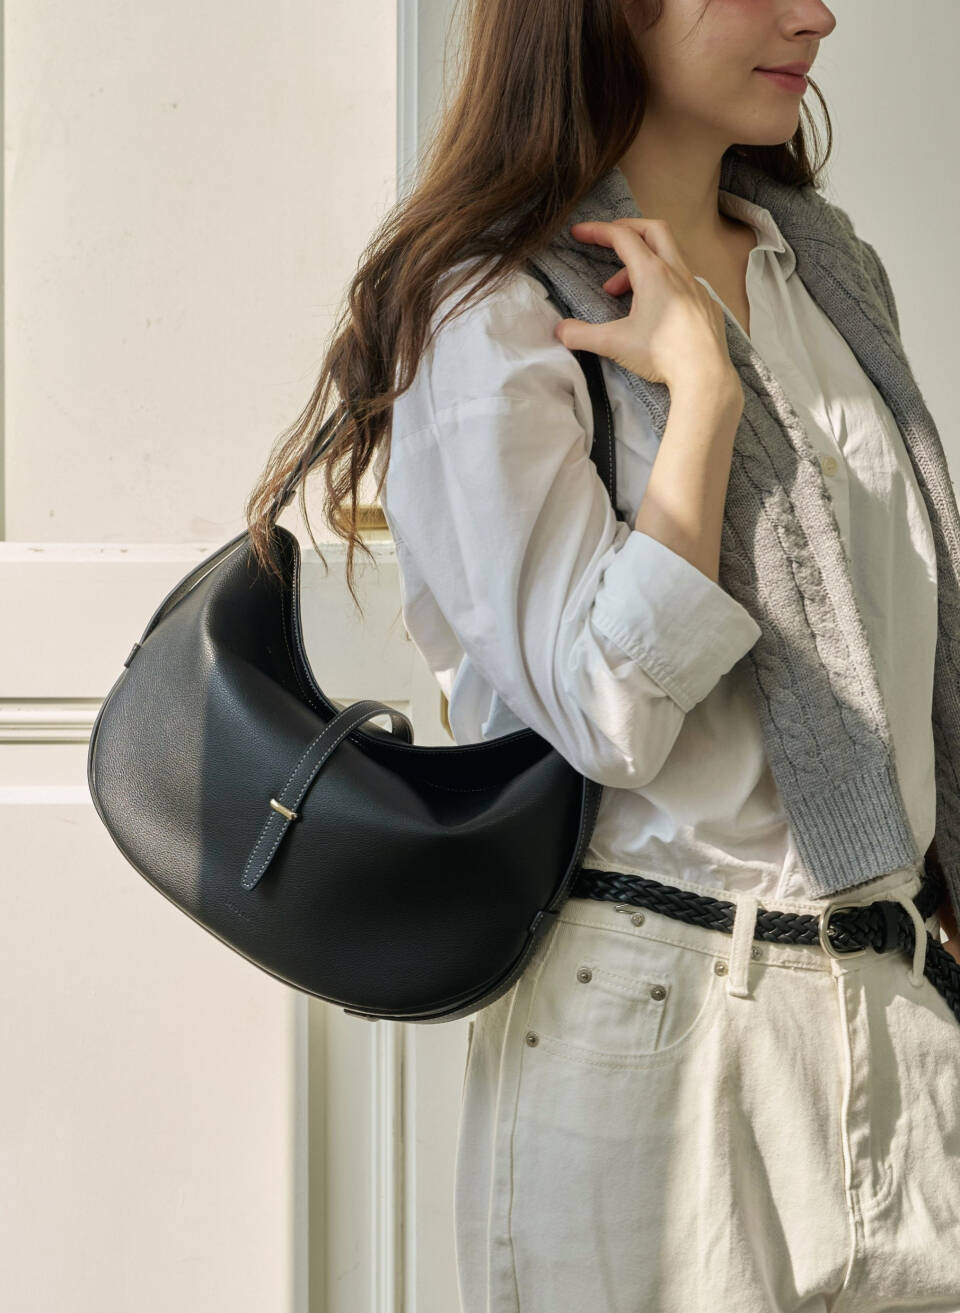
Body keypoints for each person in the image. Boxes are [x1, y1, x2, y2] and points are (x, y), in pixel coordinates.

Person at [240, 1, 960, 1308]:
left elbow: (909, 659)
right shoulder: (488, 309)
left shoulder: (821, 266)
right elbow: (605, 710)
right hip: (665, 1031)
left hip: (902, 1018)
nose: (816, 13)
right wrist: (703, 404)